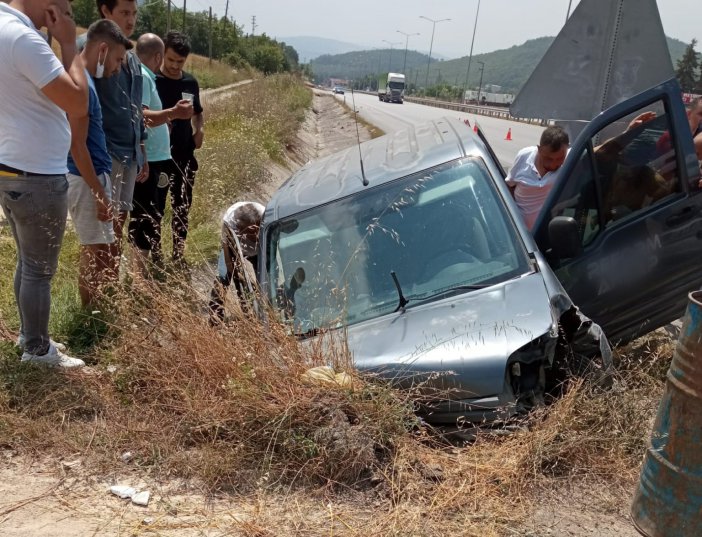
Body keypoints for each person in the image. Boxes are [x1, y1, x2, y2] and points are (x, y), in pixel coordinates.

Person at [0, 0, 88, 367]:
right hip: (38, 174)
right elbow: (78, 101)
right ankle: (37, 351)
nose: (65, 13)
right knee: (39, 269)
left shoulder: (6, 30)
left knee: (28, 261)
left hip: (11, 167)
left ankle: (30, 337)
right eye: (62, 6)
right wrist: (69, 43)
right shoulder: (24, 38)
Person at [67, 20, 131, 307]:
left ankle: (101, 310)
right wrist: (98, 193)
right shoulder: (81, 83)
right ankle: (91, 317)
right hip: (84, 179)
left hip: (92, 176)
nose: (117, 67)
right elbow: (77, 146)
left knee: (104, 249)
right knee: (94, 252)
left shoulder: (87, 81)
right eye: (117, 59)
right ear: (102, 50)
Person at [85, 0, 147, 278]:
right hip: (105, 153)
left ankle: (110, 287)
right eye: (124, 13)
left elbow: (135, 108)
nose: (131, 20)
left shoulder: (131, 58)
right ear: (105, 12)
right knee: (98, 234)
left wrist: (141, 148)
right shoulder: (88, 49)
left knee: (119, 226)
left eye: (134, 13)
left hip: (129, 154)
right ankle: (92, 305)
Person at [128, 33, 193, 275]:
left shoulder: (143, 75)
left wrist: (164, 120)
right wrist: (172, 114)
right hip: (150, 160)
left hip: (154, 157)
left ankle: (140, 273)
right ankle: (139, 277)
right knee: (144, 216)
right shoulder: (145, 77)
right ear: (158, 56)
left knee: (149, 213)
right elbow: (142, 117)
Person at [155, 31, 205, 264]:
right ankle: (154, 253)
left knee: (182, 205)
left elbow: (198, 112)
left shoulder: (190, 82)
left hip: (185, 154)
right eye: (171, 59)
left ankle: (178, 253)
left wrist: (200, 129)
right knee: (156, 206)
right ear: (162, 53)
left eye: (180, 62)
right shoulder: (153, 81)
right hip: (159, 157)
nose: (175, 66)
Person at [208, 202, 264, 324]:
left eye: (246, 231)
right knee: (223, 277)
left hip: (259, 250)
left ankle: (266, 312)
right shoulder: (230, 222)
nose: (242, 234)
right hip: (233, 248)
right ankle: (215, 318)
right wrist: (241, 282)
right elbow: (229, 261)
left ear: (256, 226)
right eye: (239, 231)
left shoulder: (265, 216)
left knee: (264, 278)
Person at [506, 126, 570, 229]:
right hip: (518, 230)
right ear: (539, 149)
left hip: (544, 233)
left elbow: (600, 150)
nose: (553, 165)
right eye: (548, 158)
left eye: (559, 158)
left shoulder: (570, 158)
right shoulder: (524, 156)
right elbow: (509, 186)